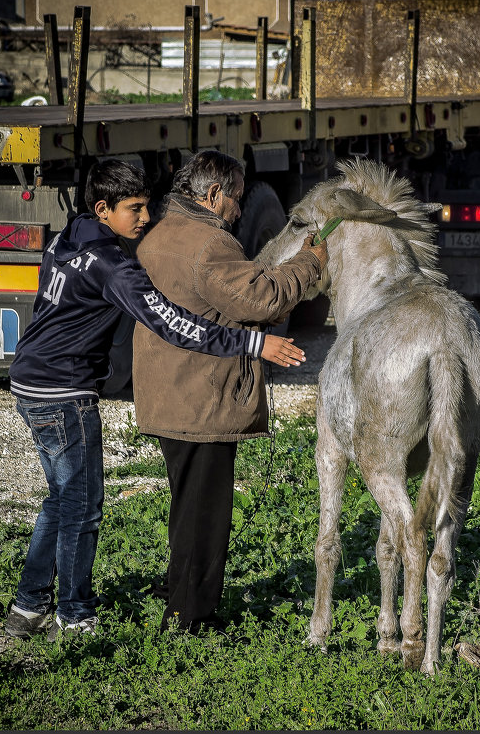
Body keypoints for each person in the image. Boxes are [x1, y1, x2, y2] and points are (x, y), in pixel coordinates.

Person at [4, 159, 307, 642]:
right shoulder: (113, 265)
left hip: (29, 380)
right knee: (84, 506)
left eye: (148, 205)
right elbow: (174, 323)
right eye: (135, 208)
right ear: (103, 209)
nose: (146, 218)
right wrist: (254, 344)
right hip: (65, 391)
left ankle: (27, 604)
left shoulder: (70, 234)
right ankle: (75, 615)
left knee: (61, 500)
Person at [132, 149, 328, 634]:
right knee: (206, 516)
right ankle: (189, 619)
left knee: (186, 507)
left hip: (168, 394)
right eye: (236, 199)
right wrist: (309, 262)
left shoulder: (158, 231)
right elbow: (262, 298)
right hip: (203, 399)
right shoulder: (208, 246)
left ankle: (181, 596)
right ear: (213, 194)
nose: (240, 210)